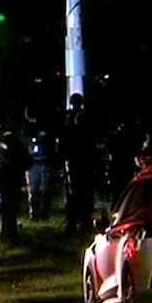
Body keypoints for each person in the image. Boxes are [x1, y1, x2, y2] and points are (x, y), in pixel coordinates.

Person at [58, 94, 100, 234]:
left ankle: (76, 221)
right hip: (80, 162)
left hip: (78, 162)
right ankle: (79, 220)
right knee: (81, 193)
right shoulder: (76, 122)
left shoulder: (71, 122)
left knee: (76, 193)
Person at [0, 129, 33, 242]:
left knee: (8, 208)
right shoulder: (17, 152)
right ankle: (9, 231)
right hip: (13, 181)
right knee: (11, 208)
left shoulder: (7, 152)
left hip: (9, 182)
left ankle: (7, 231)